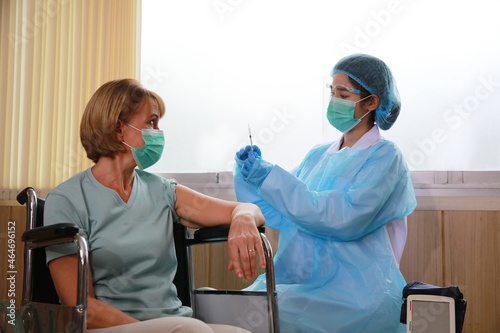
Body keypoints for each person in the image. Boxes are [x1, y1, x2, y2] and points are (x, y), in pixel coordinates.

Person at [44, 79, 265, 333]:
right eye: (151, 122)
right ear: (119, 129)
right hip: (110, 327)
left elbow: (247, 209)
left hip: (175, 323)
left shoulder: (161, 190)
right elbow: (82, 307)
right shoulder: (67, 200)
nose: (158, 132)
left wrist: (243, 219)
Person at [234, 54, 417, 333]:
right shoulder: (318, 155)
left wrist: (269, 176)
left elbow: (342, 218)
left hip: (357, 295)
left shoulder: (386, 157)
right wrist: (250, 175)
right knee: (239, 308)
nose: (334, 101)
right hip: (299, 281)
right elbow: (281, 211)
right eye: (332, 92)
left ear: (372, 102)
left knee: (269, 314)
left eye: (343, 94)